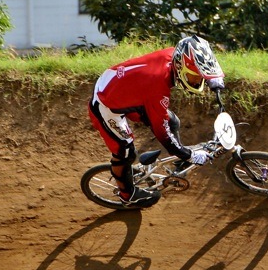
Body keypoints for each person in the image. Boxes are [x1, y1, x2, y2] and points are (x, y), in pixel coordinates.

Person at [88, 35, 226, 208]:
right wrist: (190, 155)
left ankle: (179, 158)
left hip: (122, 87)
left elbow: (198, 64)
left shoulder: (175, 55)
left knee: (173, 122)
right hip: (105, 104)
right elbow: (163, 135)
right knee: (125, 152)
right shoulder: (157, 88)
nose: (198, 81)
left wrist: (212, 78)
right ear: (179, 67)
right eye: (195, 77)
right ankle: (127, 196)